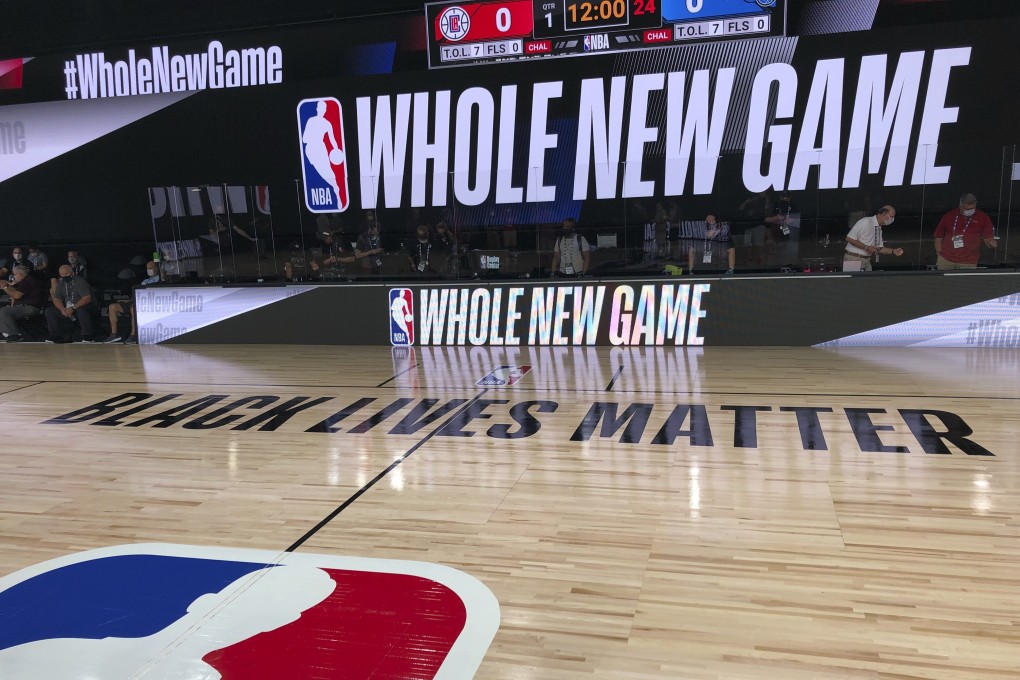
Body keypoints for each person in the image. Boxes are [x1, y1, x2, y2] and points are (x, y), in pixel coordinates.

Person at [934, 193, 998, 270]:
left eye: (973, 208)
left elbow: (988, 238)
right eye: (967, 209)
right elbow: (938, 236)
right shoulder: (949, 216)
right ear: (960, 206)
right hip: (946, 260)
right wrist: (939, 254)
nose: (970, 211)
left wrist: (991, 244)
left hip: (968, 262)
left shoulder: (983, 218)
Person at [104, 262, 161, 343]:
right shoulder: (145, 281)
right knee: (112, 307)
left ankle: (133, 335)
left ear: (157, 268)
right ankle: (114, 334)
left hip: (147, 303)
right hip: (135, 300)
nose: (149, 270)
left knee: (133, 308)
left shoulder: (161, 279)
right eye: (148, 269)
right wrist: (127, 300)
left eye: (151, 268)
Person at [45, 264, 97, 343]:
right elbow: (57, 299)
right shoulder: (61, 283)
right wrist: (62, 309)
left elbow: (87, 298)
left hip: (83, 307)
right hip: (68, 308)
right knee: (50, 311)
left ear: (72, 273)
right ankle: (55, 336)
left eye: (67, 274)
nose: (64, 276)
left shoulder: (80, 281)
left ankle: (88, 336)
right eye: (62, 275)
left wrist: (73, 308)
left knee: (81, 310)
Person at [844, 205, 903, 271]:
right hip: (854, 259)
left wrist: (893, 251)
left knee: (869, 280)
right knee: (853, 281)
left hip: (866, 260)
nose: (892, 219)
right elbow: (849, 238)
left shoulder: (878, 228)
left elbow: (879, 248)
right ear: (884, 213)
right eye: (891, 216)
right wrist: (866, 247)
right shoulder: (865, 222)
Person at [0, 266, 45, 342]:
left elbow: (17, 295)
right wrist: (7, 286)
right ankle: (8, 333)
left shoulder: (27, 281)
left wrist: (5, 288)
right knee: (4, 311)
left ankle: (14, 334)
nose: (14, 276)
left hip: (30, 308)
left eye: (14, 274)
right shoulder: (25, 282)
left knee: (4, 311)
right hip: (24, 307)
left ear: (20, 274)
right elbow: (16, 291)